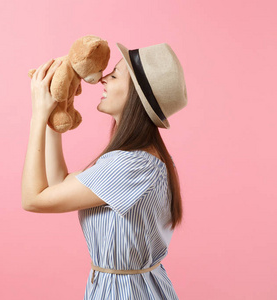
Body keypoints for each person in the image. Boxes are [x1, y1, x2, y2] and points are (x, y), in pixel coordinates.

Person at [22, 42, 187, 299]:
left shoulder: (132, 166)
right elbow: (58, 184)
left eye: (115, 74)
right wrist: (56, 112)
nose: (103, 80)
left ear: (136, 95)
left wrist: (38, 116)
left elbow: (34, 199)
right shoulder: (137, 159)